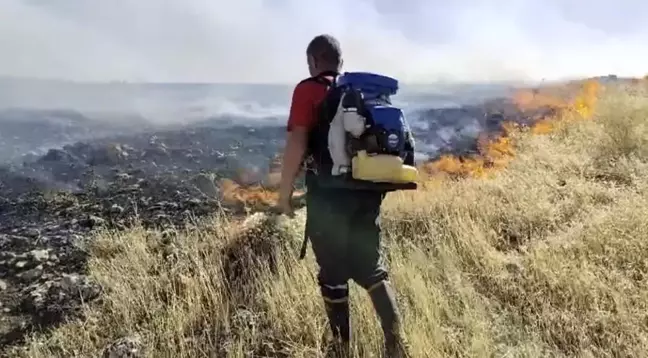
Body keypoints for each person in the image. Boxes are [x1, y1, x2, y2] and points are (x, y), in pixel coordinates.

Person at [277, 34, 410, 357]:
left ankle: (341, 349)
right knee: (371, 267)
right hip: (367, 192)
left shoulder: (308, 90)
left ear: (313, 61)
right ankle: (396, 345)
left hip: (329, 195)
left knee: (333, 274)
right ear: (340, 63)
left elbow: (297, 143)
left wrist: (284, 194)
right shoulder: (361, 95)